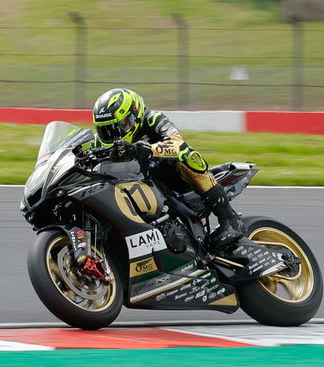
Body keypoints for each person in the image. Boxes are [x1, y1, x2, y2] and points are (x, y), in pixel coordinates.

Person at [83, 87, 244, 251]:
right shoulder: (99, 142)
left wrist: (143, 149)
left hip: (169, 176)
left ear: (135, 114)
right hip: (135, 185)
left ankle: (230, 220)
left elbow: (177, 144)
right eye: (105, 130)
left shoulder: (154, 119)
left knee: (189, 157)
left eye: (120, 125)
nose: (113, 134)